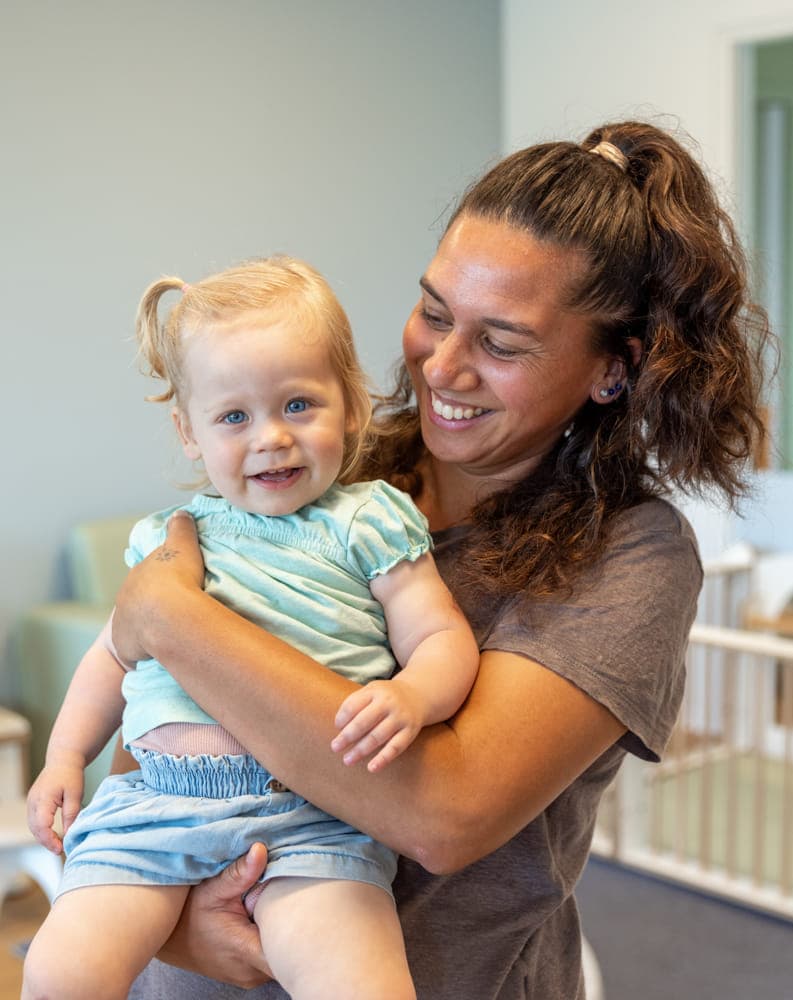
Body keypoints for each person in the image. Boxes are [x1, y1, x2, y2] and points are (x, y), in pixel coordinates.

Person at [110, 120, 769, 1000]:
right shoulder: (330, 467)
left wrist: (172, 618)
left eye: (501, 343)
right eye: (432, 312)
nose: (441, 367)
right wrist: (177, 925)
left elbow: (445, 811)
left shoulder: (631, 553)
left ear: (611, 369)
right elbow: (153, 730)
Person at [23, 256, 480, 1000]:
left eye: (298, 405)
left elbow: (438, 639)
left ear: (351, 407)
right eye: (234, 416)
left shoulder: (369, 521)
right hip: (157, 804)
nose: (270, 437)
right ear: (189, 432)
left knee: (363, 984)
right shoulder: (169, 541)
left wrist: (414, 697)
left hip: (314, 816)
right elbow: (113, 655)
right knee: (59, 972)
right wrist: (66, 756)